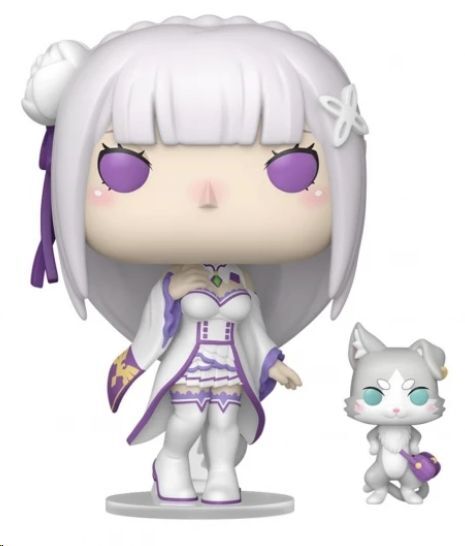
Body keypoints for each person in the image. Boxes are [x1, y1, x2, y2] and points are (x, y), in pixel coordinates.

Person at [23, 15, 368, 505]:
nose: (208, 194)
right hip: (188, 366)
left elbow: (255, 331)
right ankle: (171, 462)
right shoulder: (176, 280)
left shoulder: (242, 281)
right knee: (186, 420)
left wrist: (273, 364)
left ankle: (222, 473)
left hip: (230, 368)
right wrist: (170, 293)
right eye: (124, 168)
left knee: (225, 423)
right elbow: (155, 322)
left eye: (291, 168)